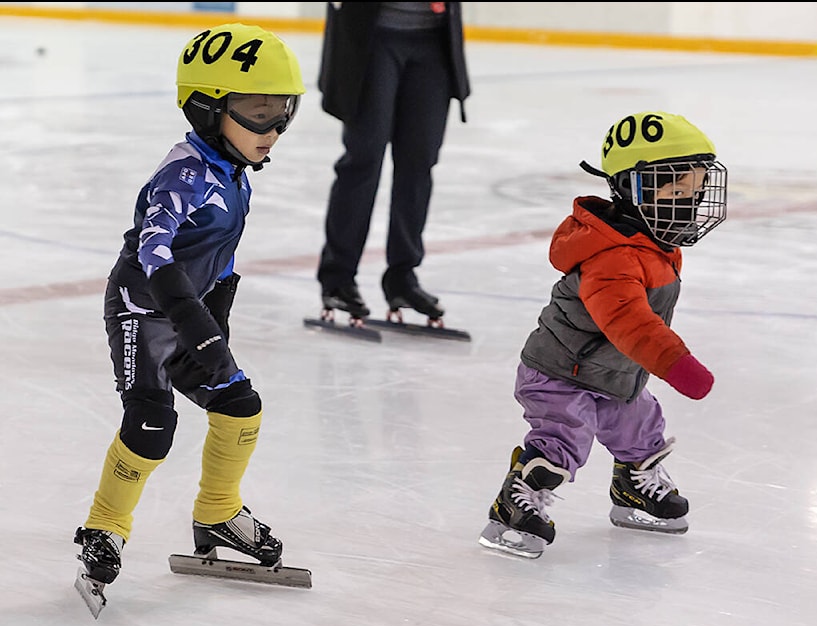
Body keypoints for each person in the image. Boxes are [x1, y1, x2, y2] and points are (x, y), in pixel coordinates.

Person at [73, 23, 306, 586]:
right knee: (152, 423)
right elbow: (154, 256)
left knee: (240, 407)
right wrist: (195, 325)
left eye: (283, 111)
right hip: (141, 311)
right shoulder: (184, 175)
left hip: (192, 316)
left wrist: (214, 320)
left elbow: (218, 259)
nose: (273, 127)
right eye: (257, 110)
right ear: (207, 108)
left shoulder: (234, 171)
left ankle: (219, 511)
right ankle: (104, 527)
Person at [478, 111, 728, 559]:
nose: (689, 203)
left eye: (696, 190)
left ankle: (633, 488)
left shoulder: (653, 240)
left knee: (641, 427)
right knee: (563, 440)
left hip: (612, 372)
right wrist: (678, 365)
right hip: (561, 374)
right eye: (676, 191)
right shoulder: (612, 257)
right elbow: (631, 323)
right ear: (634, 190)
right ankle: (514, 506)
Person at [315, 2, 471, 324]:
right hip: (373, 38)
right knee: (363, 159)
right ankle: (338, 277)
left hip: (434, 38)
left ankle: (402, 275)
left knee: (419, 163)